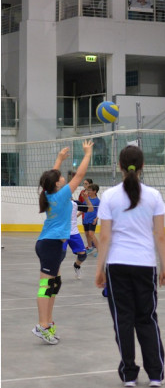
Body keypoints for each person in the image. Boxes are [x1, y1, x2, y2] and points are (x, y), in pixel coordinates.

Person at [95, 145, 165, 387]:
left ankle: (129, 375)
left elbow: (104, 237)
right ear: (142, 166)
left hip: (117, 265)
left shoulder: (109, 196)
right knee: (146, 318)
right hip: (145, 265)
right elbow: (160, 235)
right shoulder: (154, 196)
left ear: (119, 166)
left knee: (123, 320)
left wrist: (99, 269)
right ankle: (156, 375)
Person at [33, 141, 93, 345]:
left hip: (56, 245)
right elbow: (79, 176)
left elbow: (51, 176)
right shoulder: (59, 195)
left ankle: (48, 322)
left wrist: (59, 159)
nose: (62, 178)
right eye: (60, 177)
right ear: (58, 184)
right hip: (50, 245)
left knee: (54, 284)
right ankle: (42, 325)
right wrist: (87, 154)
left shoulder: (50, 193)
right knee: (45, 286)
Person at [63, 196, 93, 279]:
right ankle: (53, 275)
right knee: (60, 255)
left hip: (74, 233)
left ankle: (77, 266)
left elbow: (90, 209)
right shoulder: (57, 203)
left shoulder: (75, 204)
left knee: (83, 255)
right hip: (61, 233)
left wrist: (86, 199)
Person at [82, 184, 100, 256]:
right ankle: (90, 247)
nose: (88, 191)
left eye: (90, 190)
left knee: (91, 234)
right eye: (88, 190)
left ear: (95, 191)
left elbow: (100, 211)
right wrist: (78, 215)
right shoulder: (87, 199)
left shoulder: (97, 201)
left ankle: (99, 250)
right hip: (86, 219)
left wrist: (96, 219)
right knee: (87, 234)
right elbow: (83, 208)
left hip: (92, 219)